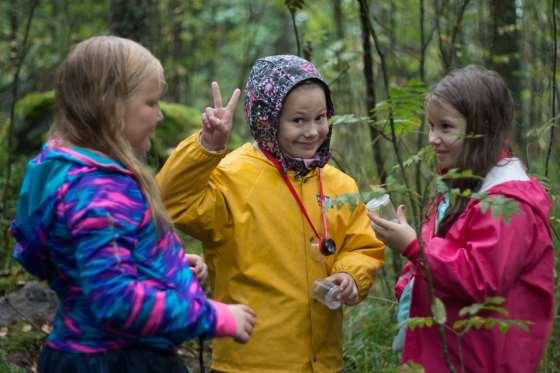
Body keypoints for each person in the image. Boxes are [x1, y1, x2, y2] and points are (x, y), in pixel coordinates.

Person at [9, 35, 256, 373]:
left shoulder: (64, 171)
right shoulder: (99, 190)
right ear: (110, 105)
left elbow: (88, 262)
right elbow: (115, 301)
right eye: (151, 102)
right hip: (119, 359)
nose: (159, 116)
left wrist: (161, 264)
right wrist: (215, 316)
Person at [156, 55, 385, 372]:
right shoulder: (233, 176)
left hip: (323, 360)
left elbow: (362, 245)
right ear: (267, 119)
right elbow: (171, 200)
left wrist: (350, 275)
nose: (312, 131)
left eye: (320, 117)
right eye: (298, 120)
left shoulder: (339, 183)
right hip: (251, 359)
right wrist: (206, 147)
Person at [370, 65, 554, 372]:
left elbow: (479, 278)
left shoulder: (507, 204)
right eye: (430, 126)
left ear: (483, 130)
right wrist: (408, 284)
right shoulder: (456, 189)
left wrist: (414, 248)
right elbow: (436, 251)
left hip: (485, 361)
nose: (433, 138)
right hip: (448, 353)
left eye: (446, 127)